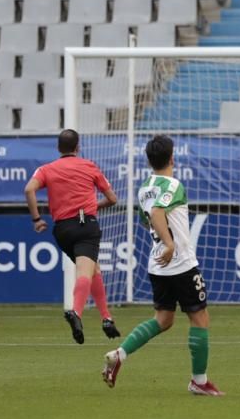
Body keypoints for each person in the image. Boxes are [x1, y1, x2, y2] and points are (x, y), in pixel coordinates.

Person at [102, 135, 223, 395]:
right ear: (172, 158)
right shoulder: (173, 185)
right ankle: (199, 382)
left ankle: (120, 354)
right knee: (200, 318)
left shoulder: (144, 186)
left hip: (157, 266)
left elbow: (146, 220)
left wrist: (162, 242)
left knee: (163, 319)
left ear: (148, 160)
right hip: (179, 263)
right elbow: (156, 213)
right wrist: (170, 243)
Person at [23, 129, 120, 344]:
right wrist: (94, 206)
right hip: (86, 225)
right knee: (86, 270)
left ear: (59, 148)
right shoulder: (89, 166)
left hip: (62, 230)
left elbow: (29, 189)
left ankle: (106, 318)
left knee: (93, 269)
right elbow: (113, 199)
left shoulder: (46, 169)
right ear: (78, 147)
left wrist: (36, 219)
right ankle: (76, 312)